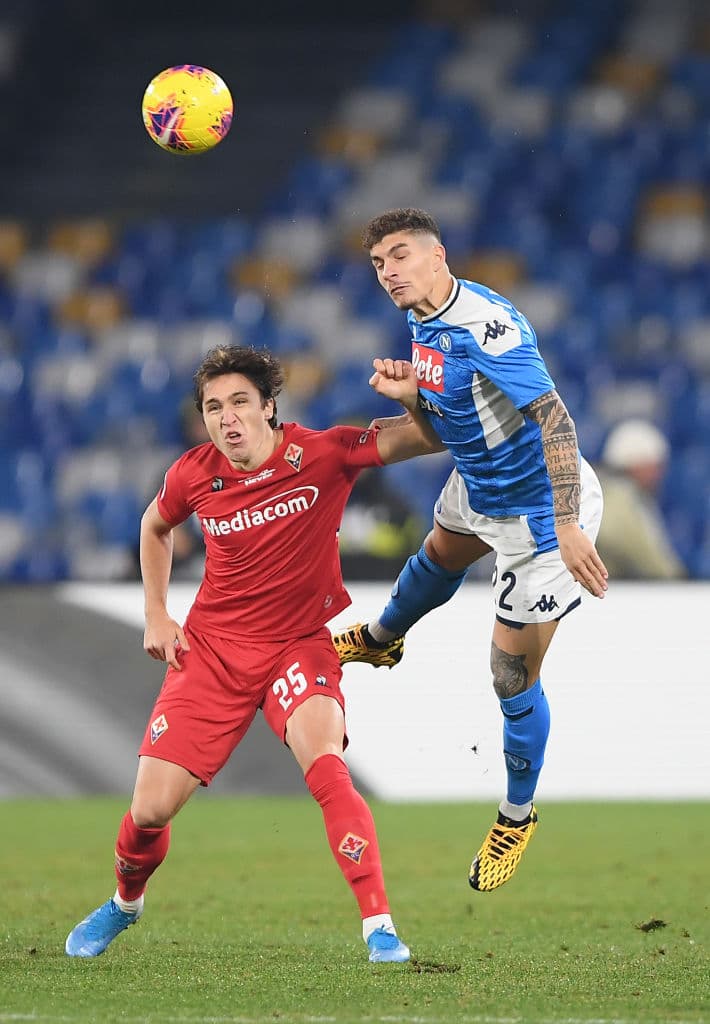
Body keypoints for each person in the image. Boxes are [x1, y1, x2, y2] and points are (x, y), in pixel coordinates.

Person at [65, 344, 441, 964]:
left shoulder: (324, 453)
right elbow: (154, 526)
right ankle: (125, 904)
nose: (226, 417)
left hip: (298, 645)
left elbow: (424, 440)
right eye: (213, 407)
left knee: (324, 760)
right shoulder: (194, 473)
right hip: (212, 652)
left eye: (240, 401)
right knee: (150, 808)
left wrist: (413, 401)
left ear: (269, 407)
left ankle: (379, 926)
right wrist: (157, 611)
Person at [332, 208, 608, 894]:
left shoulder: (488, 326)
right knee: (440, 550)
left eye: (400, 256)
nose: (389, 271)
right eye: (377, 264)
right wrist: (411, 399)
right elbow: (439, 428)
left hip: (544, 514)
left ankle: (516, 815)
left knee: (510, 676)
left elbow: (556, 419)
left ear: (438, 257)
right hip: (482, 482)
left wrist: (568, 524)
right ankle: (383, 639)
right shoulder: (422, 322)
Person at [594, 418, 686, 579]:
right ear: (638, 463)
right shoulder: (622, 499)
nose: (660, 473)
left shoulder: (596, 489)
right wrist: (678, 581)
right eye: (655, 465)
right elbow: (653, 561)